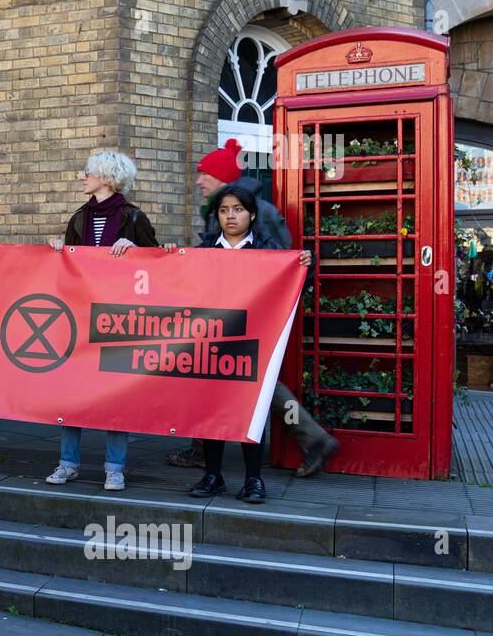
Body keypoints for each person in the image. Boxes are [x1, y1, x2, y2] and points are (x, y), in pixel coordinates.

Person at [166, 139, 339, 477]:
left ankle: (312, 437)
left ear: (222, 178)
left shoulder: (260, 213)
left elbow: (283, 261)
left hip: (257, 316)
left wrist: (300, 267)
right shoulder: (218, 213)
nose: (199, 181)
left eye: (205, 175)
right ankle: (203, 447)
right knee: (212, 372)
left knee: (263, 384)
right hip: (223, 315)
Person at [167, 184, 313, 505]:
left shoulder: (268, 250)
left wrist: (305, 262)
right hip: (211, 341)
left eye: (237, 209)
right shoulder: (205, 249)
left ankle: (253, 480)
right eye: (223, 210)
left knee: (251, 411)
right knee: (211, 410)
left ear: (251, 214)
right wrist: (169, 256)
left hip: (252, 343)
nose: (230, 216)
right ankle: (213, 475)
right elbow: (177, 283)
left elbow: (298, 280)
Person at [43, 151, 159, 492]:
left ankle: (114, 467)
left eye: (88, 172)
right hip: (80, 316)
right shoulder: (79, 217)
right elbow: (70, 266)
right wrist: (58, 249)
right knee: (72, 391)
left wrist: (136, 248)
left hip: (119, 319)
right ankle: (68, 463)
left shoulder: (134, 217)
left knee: (115, 393)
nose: (83, 176)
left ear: (107, 178)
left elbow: (157, 265)